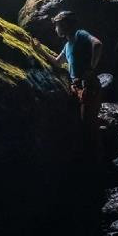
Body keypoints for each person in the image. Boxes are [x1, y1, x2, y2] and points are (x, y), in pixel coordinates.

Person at [50, 10, 103, 160]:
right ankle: (88, 157)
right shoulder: (67, 45)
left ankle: (97, 162)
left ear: (65, 24)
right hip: (77, 87)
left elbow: (97, 44)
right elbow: (57, 62)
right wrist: (38, 49)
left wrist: (91, 68)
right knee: (82, 123)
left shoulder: (80, 34)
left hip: (88, 86)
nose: (55, 29)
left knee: (88, 125)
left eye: (57, 25)